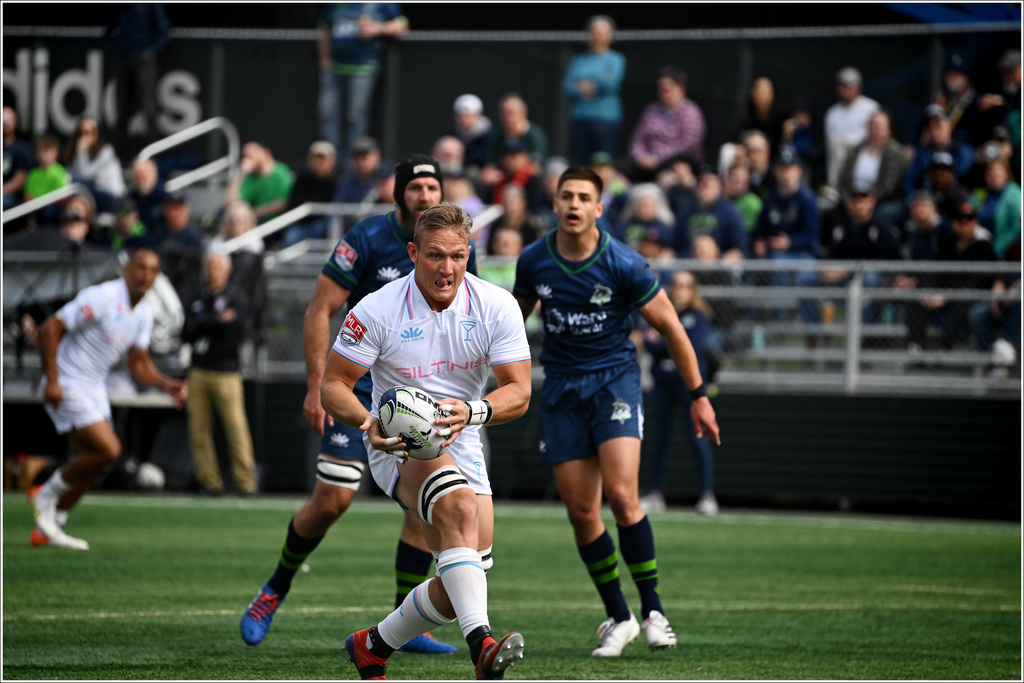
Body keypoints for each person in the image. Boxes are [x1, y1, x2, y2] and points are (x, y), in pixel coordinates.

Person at [239, 155, 475, 657]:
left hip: (421, 391)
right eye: (416, 187)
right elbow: (321, 308)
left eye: (433, 187)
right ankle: (274, 589)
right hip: (358, 390)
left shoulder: (452, 250)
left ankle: (408, 623)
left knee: (425, 504)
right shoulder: (366, 238)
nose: (425, 195)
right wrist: (315, 384)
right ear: (398, 193)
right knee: (333, 500)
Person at [513, 166, 720, 657]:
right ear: (556, 204)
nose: (574, 204)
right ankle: (619, 617)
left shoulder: (624, 262)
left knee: (624, 498)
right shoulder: (534, 260)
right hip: (561, 390)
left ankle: (654, 613)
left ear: (599, 208)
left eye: (584, 197)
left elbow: (672, 327)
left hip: (614, 383)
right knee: (583, 512)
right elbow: (510, 323)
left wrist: (699, 395)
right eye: (567, 196)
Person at [327, 201, 531, 680]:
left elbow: (519, 391)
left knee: (463, 580)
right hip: (399, 442)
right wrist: (368, 423)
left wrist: (474, 412)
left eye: (457, 256)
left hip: (464, 435)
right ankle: (482, 646)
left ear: (469, 254)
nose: (447, 268)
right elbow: (332, 385)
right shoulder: (376, 308)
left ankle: (372, 646)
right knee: (459, 510)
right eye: (436, 255)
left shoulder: (496, 305)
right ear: (413, 253)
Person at [29, 249, 188, 550]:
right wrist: (52, 379)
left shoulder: (143, 314)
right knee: (110, 450)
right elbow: (50, 328)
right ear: (127, 270)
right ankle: (45, 495)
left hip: (94, 386)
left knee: (94, 462)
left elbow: (138, 363)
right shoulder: (101, 296)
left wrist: (166, 384)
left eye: (152, 270)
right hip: (68, 380)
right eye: (140, 267)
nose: (145, 275)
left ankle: (51, 524)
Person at [639, 270, 718, 516]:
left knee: (697, 438)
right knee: (659, 439)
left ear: (693, 290)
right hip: (662, 383)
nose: (680, 290)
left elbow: (691, 346)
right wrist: (671, 341)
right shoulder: (661, 311)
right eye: (676, 284)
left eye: (685, 285)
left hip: (688, 386)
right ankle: (654, 492)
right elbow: (649, 343)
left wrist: (664, 339)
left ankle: (706, 494)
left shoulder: (698, 316)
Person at [182, 251, 257, 497]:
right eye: (210, 267)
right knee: (199, 430)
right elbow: (186, 331)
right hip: (198, 371)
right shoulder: (197, 298)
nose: (213, 272)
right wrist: (215, 321)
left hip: (227, 373)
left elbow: (237, 333)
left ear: (228, 270)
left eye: (218, 267)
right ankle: (209, 481)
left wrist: (205, 323)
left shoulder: (236, 298)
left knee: (236, 428)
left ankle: (245, 482)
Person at [317, 3, 408, 165]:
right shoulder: (335, 4)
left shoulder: (382, 4)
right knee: (328, 114)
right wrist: (325, 59)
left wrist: (379, 28)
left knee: (355, 115)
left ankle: (352, 160)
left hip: (363, 68)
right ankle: (330, 159)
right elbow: (324, 28)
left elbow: (402, 24)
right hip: (334, 68)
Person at [904, 201, 996, 351]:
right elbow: (936, 271)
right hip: (944, 294)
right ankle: (916, 347)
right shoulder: (947, 242)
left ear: (975, 222)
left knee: (963, 305)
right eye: (959, 219)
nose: (964, 223)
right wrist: (929, 292)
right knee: (917, 300)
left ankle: (945, 348)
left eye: (969, 219)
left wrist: (947, 296)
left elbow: (978, 282)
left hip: (970, 296)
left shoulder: (983, 246)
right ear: (953, 222)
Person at [752, 149, 821, 324]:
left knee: (806, 278)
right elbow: (761, 228)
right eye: (782, 168)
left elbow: (812, 233)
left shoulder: (807, 198)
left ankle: (811, 324)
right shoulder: (771, 199)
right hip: (777, 253)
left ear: (799, 171)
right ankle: (780, 318)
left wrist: (790, 242)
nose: (786, 173)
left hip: (804, 252)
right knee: (776, 263)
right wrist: (760, 241)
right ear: (775, 171)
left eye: (790, 168)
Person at [104, 3, 171, 159]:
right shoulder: (117, 5)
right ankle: (119, 157)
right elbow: (107, 32)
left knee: (148, 108)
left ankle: (153, 157)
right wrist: (117, 48)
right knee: (121, 110)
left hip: (144, 62)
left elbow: (164, 32)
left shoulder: (151, 4)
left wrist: (149, 52)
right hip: (123, 60)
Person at [563, 15, 626, 166]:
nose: (598, 35)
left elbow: (610, 85)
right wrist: (596, 84)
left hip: (606, 120)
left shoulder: (616, 59)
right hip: (580, 118)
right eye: (594, 31)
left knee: (603, 163)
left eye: (602, 32)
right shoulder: (578, 60)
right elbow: (567, 87)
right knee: (580, 163)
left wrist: (584, 85)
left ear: (610, 35)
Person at [629, 65, 707, 180]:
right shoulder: (651, 109)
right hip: (646, 162)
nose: (664, 90)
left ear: (681, 89)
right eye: (661, 87)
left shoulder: (691, 112)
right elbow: (638, 138)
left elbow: (688, 144)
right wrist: (639, 156)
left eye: (669, 87)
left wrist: (657, 157)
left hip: (676, 162)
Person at [836, 109, 909, 223]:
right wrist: (849, 202)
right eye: (872, 125)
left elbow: (888, 186)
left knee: (881, 213)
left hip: (882, 201)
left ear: (888, 129)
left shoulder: (895, 153)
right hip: (853, 199)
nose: (875, 129)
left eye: (879, 126)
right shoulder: (856, 150)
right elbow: (842, 180)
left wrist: (868, 202)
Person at [675, 165, 747, 261]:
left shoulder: (730, 212)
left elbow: (740, 247)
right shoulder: (685, 210)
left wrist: (721, 259)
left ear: (719, 186)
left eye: (708, 184)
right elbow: (676, 243)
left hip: (719, 263)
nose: (704, 186)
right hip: (690, 262)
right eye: (701, 183)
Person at [824, 67, 879, 189]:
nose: (842, 89)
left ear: (857, 87)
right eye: (840, 85)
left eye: (846, 85)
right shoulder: (832, 113)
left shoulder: (871, 107)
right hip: (842, 153)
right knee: (834, 141)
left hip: (866, 149)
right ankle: (835, 188)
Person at [281, 140, 343, 247]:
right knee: (290, 239)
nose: (319, 163)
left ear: (332, 161)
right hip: (302, 222)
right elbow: (294, 202)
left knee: (320, 230)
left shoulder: (339, 179)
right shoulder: (303, 177)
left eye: (323, 159)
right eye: (316, 159)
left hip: (325, 223)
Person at [904, 106, 974, 198]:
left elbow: (962, 180)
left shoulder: (963, 152)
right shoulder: (922, 153)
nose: (935, 130)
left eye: (939, 126)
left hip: (952, 200)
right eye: (932, 126)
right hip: (925, 200)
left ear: (949, 127)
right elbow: (910, 181)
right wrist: (913, 199)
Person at [223, 141, 295, 226]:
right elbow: (229, 204)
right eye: (244, 156)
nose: (246, 160)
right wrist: (240, 174)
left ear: (266, 153)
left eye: (250, 156)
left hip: (277, 222)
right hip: (255, 222)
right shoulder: (249, 178)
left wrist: (252, 214)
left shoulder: (281, 172)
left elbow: (283, 203)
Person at [65, 116, 126, 213]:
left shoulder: (106, 151)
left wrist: (81, 153)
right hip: (93, 196)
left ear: (96, 134)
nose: (84, 137)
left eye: (88, 133)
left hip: (112, 197)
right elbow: (73, 174)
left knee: (76, 182)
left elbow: (84, 176)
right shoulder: (77, 153)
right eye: (80, 133)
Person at [482, 93, 549, 175]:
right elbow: (490, 164)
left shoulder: (535, 135)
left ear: (524, 114)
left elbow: (537, 165)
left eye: (511, 113)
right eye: (503, 113)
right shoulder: (497, 135)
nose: (506, 117)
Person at [969, 159, 1021, 259]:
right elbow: (969, 214)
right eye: (990, 171)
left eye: (998, 171)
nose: (993, 174)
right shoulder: (979, 193)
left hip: (1004, 251)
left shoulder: (1015, 193)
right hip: (980, 247)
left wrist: (996, 248)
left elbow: (1017, 227)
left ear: (1007, 174)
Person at [613, 183, 675, 259]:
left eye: (648, 206)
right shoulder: (623, 227)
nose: (645, 210)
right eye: (642, 205)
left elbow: (673, 248)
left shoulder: (666, 229)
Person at [24, 135, 71, 225]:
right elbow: (28, 193)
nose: (44, 155)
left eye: (47, 152)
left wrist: (43, 203)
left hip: (51, 207)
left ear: (56, 153)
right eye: (41, 152)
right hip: (34, 207)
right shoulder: (33, 173)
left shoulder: (61, 172)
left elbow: (61, 195)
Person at [449, 94, 494, 174]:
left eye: (467, 116)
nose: (463, 120)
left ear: (478, 115)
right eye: (460, 116)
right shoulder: (453, 134)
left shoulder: (490, 136)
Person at [740, 76, 784, 157]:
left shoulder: (780, 119)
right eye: (759, 90)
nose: (761, 95)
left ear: (773, 94)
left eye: (765, 91)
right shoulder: (745, 115)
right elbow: (738, 138)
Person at [3, 106, 35, 211]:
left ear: (15, 124)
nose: (4, 125)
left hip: (12, 197)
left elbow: (19, 182)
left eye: (7, 121)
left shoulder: (22, 149)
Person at [128, 158, 168, 231]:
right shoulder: (129, 199)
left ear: (155, 176)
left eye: (144, 175)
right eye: (138, 176)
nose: (141, 180)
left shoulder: (165, 199)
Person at [724, 162, 762, 233]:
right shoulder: (721, 201)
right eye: (732, 175)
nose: (735, 178)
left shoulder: (753, 203)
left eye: (740, 176)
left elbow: (749, 230)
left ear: (747, 181)